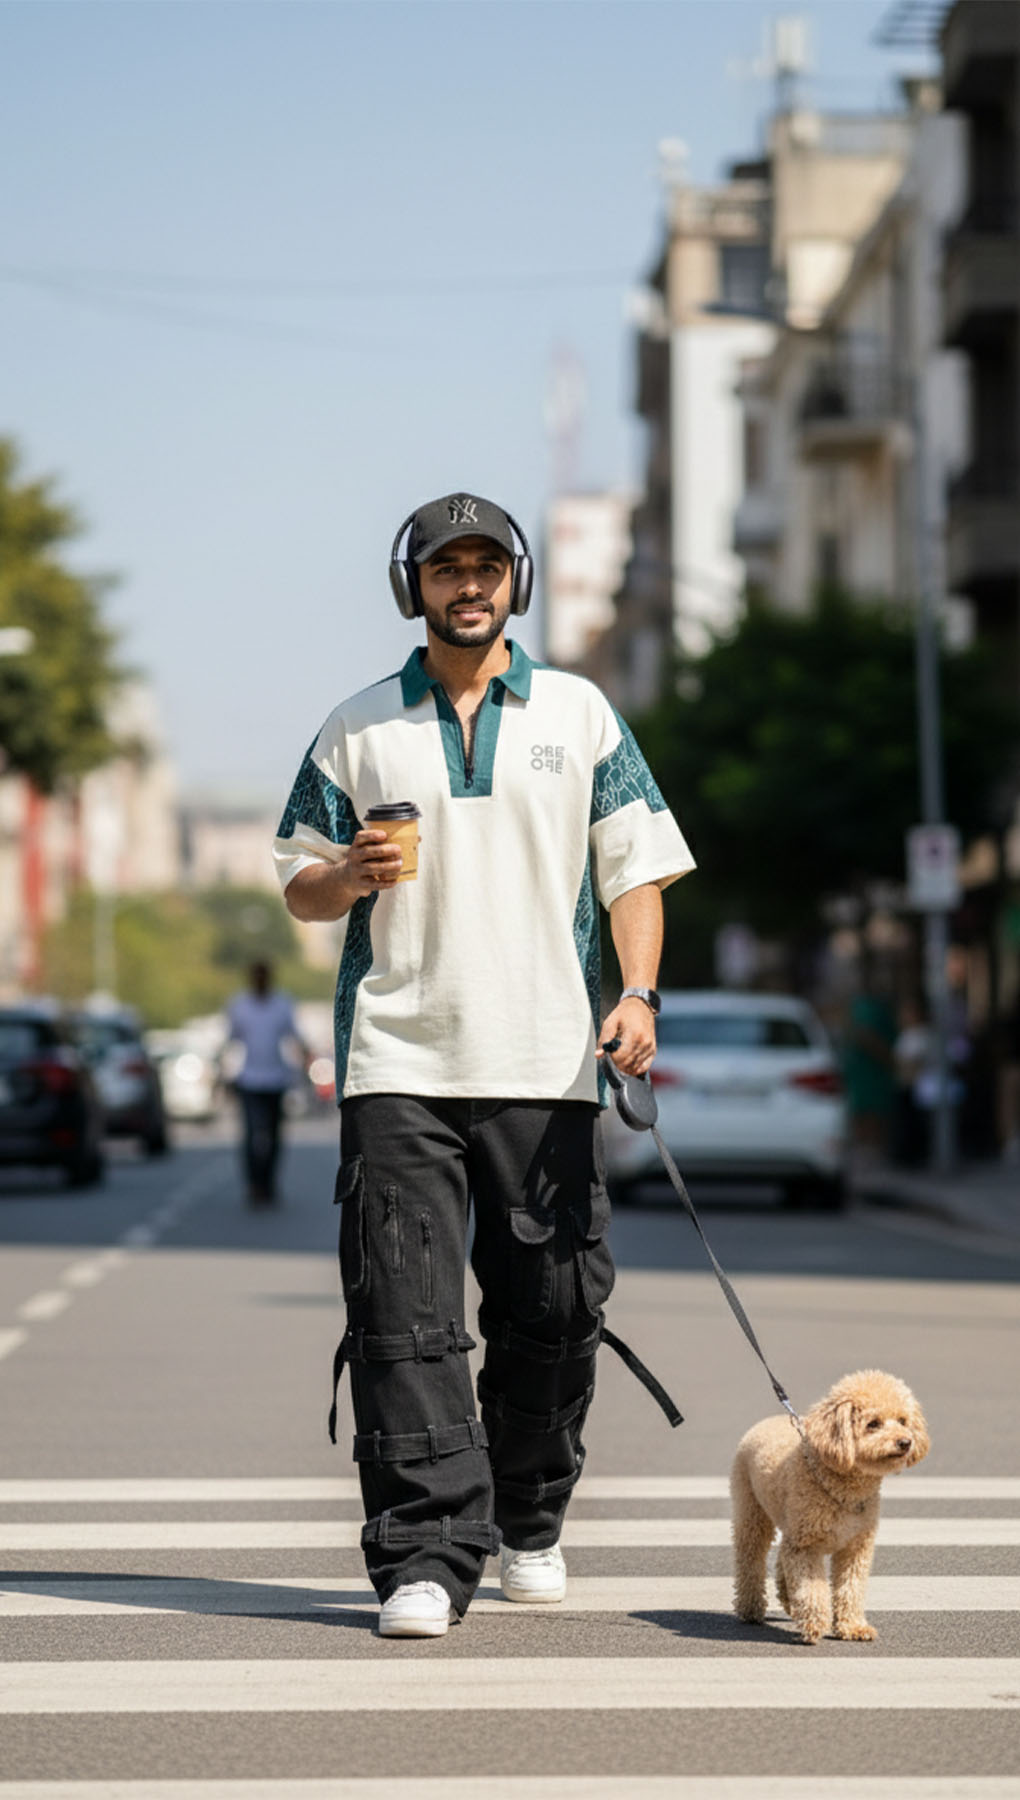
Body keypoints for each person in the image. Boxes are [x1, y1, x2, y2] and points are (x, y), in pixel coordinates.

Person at [274, 492, 694, 1637]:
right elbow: (300, 884)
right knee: (404, 1316)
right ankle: (423, 1554)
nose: (469, 585)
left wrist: (638, 993)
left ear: (514, 581)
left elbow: (635, 872)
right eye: (446, 568)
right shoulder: (359, 728)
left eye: (487, 566)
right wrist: (350, 877)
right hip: (398, 1056)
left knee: (555, 1304)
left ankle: (530, 1516)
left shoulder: (580, 710)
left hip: (547, 1055)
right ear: (414, 586)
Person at [225, 960, 306, 1206]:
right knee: (251, 1136)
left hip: (275, 1079)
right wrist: (225, 1077)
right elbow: (230, 1041)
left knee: (273, 1137)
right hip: (249, 1080)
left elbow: (294, 1035)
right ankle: (253, 1184)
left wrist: (307, 1058)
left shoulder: (282, 1004)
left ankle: (269, 1183)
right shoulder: (239, 1006)